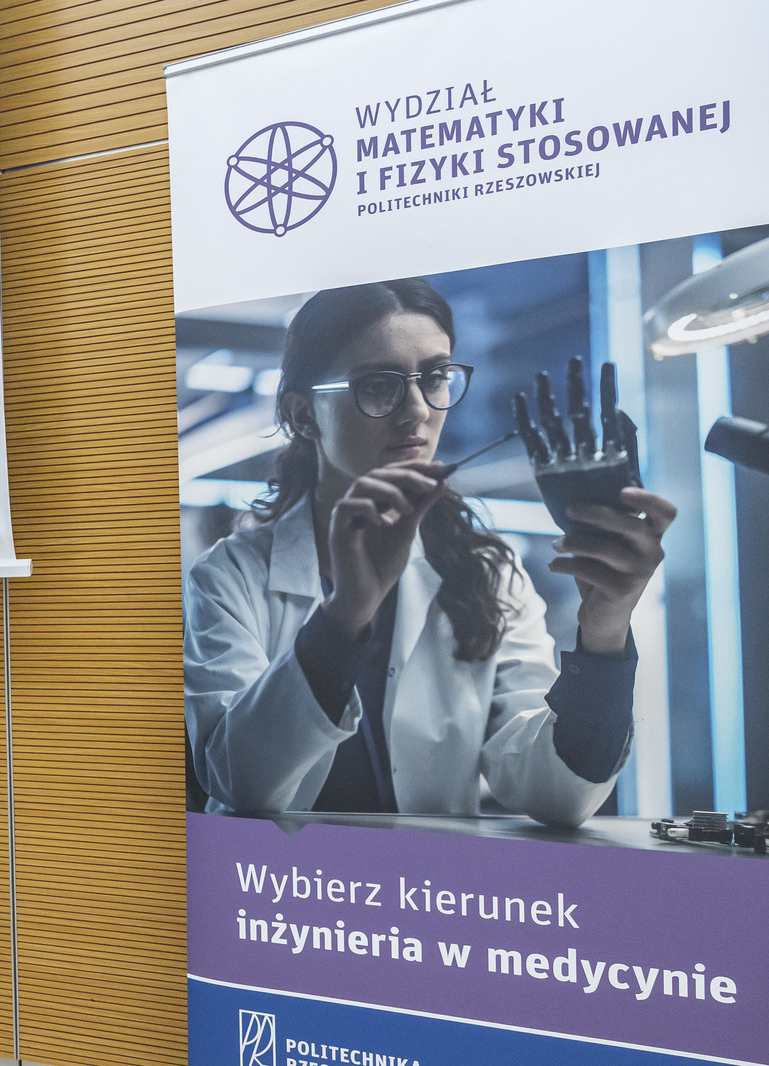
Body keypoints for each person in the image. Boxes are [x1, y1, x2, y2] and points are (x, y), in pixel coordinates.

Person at [184, 279, 674, 828]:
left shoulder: (488, 573)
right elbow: (238, 782)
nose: (416, 410)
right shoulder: (229, 578)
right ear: (302, 415)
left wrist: (604, 631)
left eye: (436, 377)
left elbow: (555, 793)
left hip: (433, 882)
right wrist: (345, 616)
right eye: (378, 385)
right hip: (279, 882)